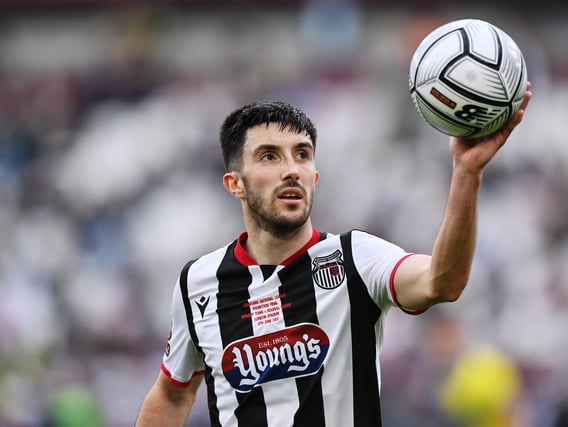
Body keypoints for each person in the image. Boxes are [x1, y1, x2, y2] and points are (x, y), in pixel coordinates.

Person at [135, 86, 532, 427]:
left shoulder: (356, 258)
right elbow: (172, 393)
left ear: (315, 176)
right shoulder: (198, 283)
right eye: (270, 156)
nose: (291, 170)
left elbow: (442, 282)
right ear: (234, 183)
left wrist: (466, 172)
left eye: (302, 155)